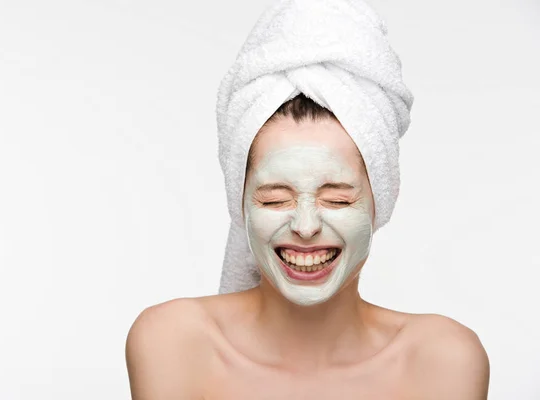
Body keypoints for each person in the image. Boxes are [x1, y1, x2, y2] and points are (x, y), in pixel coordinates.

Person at [126, 0, 490, 398]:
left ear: (380, 200)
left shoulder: (441, 361)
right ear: (241, 204)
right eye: (274, 199)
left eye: (337, 199)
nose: (304, 227)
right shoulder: (174, 344)